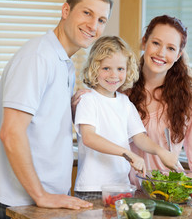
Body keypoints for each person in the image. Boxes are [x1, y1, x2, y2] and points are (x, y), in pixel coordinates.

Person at [0, 0, 113, 217]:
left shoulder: (64, 63)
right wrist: (41, 196)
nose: (93, 26)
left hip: (43, 200)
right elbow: (11, 132)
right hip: (20, 204)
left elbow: (39, 122)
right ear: (65, 11)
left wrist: (66, 110)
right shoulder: (38, 57)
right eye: (87, 13)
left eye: (101, 20)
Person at [128, 15, 192, 183]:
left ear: (178, 55)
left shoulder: (187, 100)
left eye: (170, 48)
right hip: (123, 194)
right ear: (144, 42)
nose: (161, 53)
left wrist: (183, 186)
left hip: (164, 197)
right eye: (156, 43)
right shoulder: (121, 90)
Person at [73, 36, 178, 200]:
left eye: (120, 69)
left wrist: (160, 151)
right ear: (94, 68)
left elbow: (139, 137)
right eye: (106, 68)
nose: (114, 75)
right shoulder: (88, 99)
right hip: (92, 188)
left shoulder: (124, 102)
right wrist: (127, 154)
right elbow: (89, 138)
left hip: (121, 187)